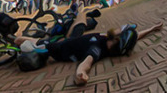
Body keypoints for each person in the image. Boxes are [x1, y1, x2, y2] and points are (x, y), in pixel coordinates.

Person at [16, 21, 163, 85]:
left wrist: (81, 75)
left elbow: (86, 63)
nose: (119, 29)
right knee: (81, 17)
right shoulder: (107, 37)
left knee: (19, 41)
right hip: (70, 38)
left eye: (120, 31)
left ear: (117, 41)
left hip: (54, 47)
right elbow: (137, 35)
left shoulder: (97, 49)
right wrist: (152, 29)